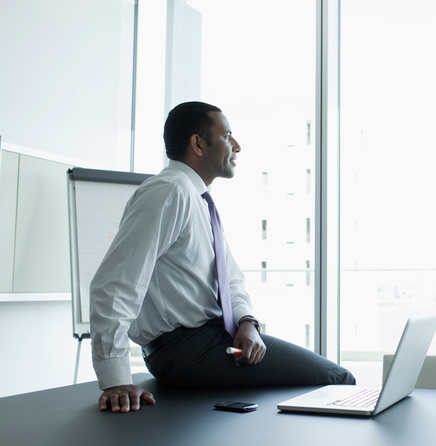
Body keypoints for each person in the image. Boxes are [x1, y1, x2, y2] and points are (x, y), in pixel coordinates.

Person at [90, 101, 355, 413]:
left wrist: (246, 322)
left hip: (210, 339)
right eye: (228, 136)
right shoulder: (168, 192)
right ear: (198, 144)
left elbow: (231, 278)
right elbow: (115, 284)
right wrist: (115, 378)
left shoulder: (198, 199)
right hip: (186, 348)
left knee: (328, 382)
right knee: (338, 380)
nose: (237, 146)